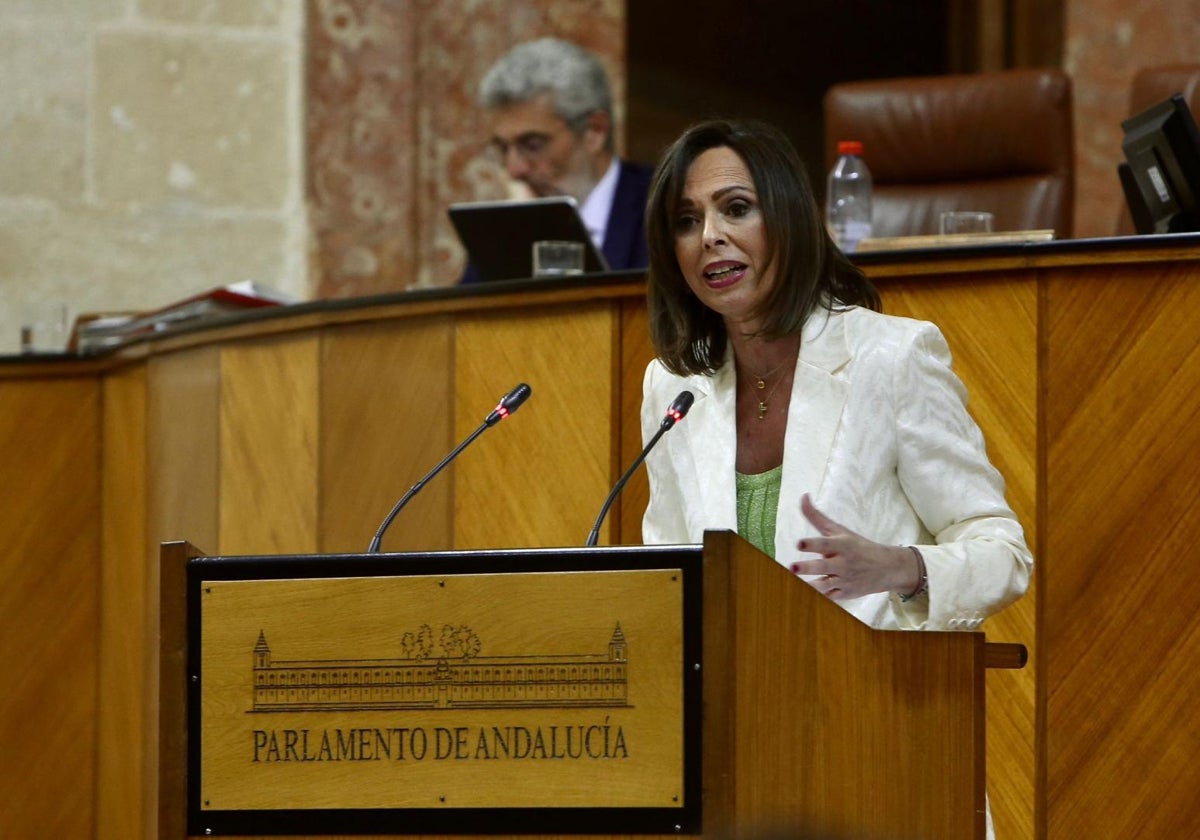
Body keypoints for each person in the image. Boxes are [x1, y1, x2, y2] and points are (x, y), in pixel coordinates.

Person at [640, 118, 1033, 634]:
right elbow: (669, 573)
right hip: (727, 696)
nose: (710, 236)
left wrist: (903, 567)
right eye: (686, 221)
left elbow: (1004, 554)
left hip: (865, 692)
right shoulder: (673, 386)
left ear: (789, 218)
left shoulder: (892, 358)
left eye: (736, 209)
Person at [461, 37, 653, 284]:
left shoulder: (664, 206)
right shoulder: (503, 231)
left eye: (532, 145)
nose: (513, 169)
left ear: (595, 131)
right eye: (502, 148)